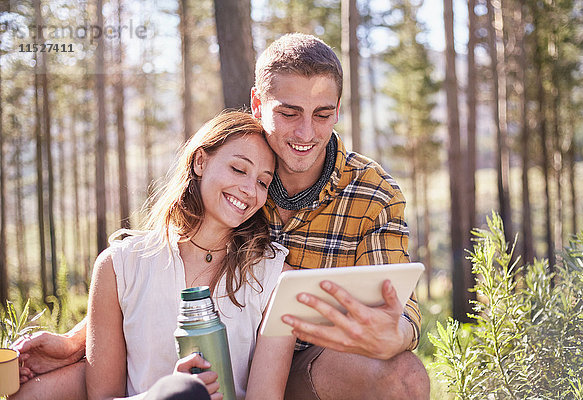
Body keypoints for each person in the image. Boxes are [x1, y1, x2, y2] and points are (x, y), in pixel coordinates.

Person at [15, 33, 430, 399]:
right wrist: (77, 342)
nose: (305, 133)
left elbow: (398, 300)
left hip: (309, 365)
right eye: (288, 113)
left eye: (321, 115)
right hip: (193, 356)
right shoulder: (234, 167)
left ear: (337, 110)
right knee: (34, 386)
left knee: (405, 376)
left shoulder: (372, 194)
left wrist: (395, 333)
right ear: (257, 104)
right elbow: (153, 278)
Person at [14, 112, 296, 400]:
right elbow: (104, 396)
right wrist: (169, 395)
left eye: (263, 182)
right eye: (238, 169)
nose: (250, 190)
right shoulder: (119, 266)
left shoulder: (274, 278)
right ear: (200, 161)